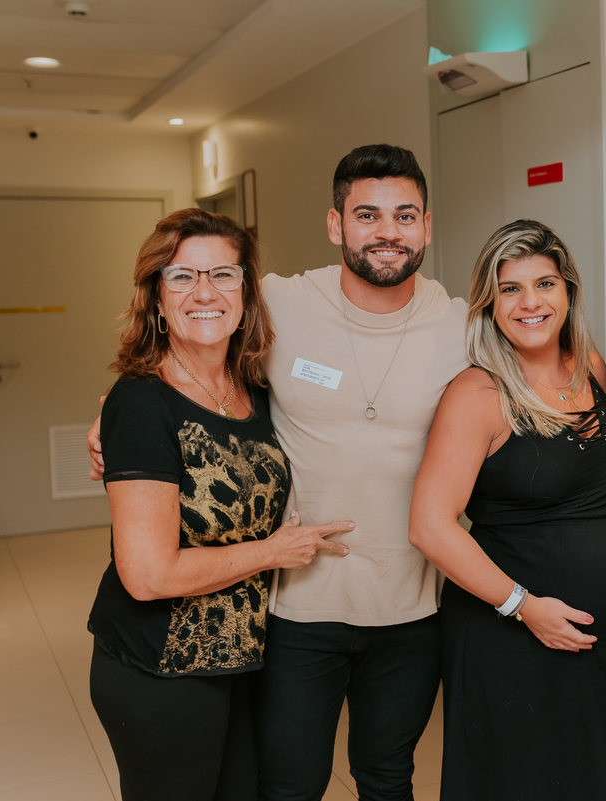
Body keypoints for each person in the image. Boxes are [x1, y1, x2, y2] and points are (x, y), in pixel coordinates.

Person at [88, 145, 466, 800]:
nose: (387, 231)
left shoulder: (464, 322)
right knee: (287, 783)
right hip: (286, 613)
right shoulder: (284, 303)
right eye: (367, 214)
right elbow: (173, 377)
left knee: (385, 777)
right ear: (335, 223)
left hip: (401, 610)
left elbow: (559, 361)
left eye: (405, 215)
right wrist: (112, 423)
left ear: (427, 227)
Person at [88, 208, 352, 801]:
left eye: (223, 276)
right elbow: (148, 575)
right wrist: (275, 552)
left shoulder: (253, 386)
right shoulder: (139, 403)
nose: (204, 292)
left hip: (239, 658)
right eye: (181, 277)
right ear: (156, 298)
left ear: (245, 293)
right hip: (161, 665)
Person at [409, 219, 606, 801]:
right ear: (489, 304)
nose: (530, 303)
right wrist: (524, 608)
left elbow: (597, 469)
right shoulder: (477, 394)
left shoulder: (589, 367)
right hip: (517, 642)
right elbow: (429, 526)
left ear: (568, 290)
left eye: (544, 284)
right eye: (510, 289)